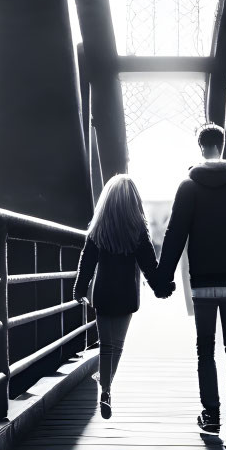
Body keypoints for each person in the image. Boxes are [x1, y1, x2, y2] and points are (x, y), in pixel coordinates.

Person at [156, 123, 226, 436]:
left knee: (205, 350)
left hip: (202, 281)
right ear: (222, 144)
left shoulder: (188, 186)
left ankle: (211, 415)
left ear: (200, 147)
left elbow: (175, 234)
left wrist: (162, 280)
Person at [73, 174, 174, 418]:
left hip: (103, 294)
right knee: (117, 345)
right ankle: (106, 386)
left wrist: (79, 288)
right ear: (133, 202)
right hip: (127, 295)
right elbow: (150, 266)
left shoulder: (98, 229)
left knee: (105, 344)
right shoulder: (138, 231)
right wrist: (161, 289)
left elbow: (86, 262)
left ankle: (105, 386)